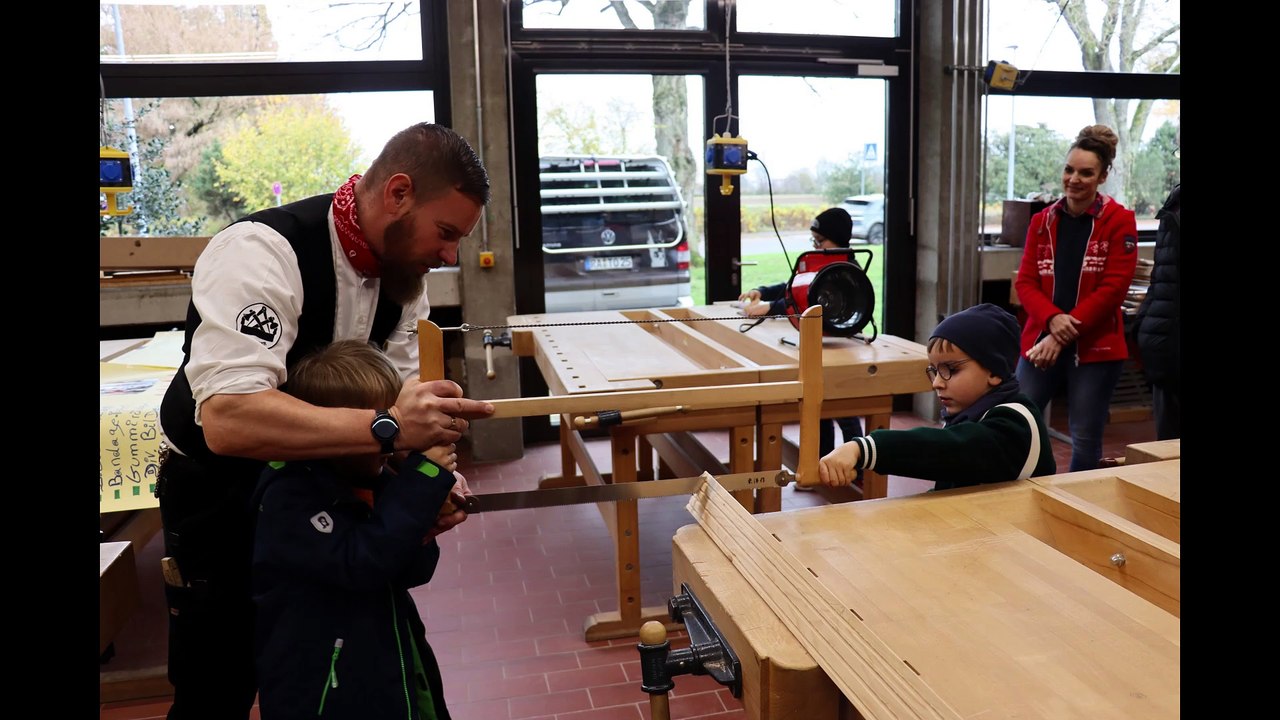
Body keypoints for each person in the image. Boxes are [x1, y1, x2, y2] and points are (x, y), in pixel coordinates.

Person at [155, 122, 496, 720]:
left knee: (329, 674)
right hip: (223, 499)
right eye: (445, 233)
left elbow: (402, 399)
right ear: (397, 193)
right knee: (218, 687)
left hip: (328, 496)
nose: (450, 256)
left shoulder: (402, 280)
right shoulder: (263, 251)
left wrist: (428, 478)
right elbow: (230, 420)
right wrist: (390, 432)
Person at [253, 339, 465, 719]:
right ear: (338, 428)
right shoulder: (288, 495)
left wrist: (425, 523)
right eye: (384, 432)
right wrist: (425, 477)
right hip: (325, 687)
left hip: (389, 661)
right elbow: (361, 564)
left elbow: (411, 570)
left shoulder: (371, 475)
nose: (391, 446)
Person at [817, 303, 1055, 491]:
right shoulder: (971, 414)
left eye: (951, 369)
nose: (937, 383)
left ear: (994, 370)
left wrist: (864, 448)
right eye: (934, 370)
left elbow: (949, 450)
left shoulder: (1015, 424)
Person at [1013, 124, 1138, 472]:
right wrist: (1052, 322)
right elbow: (1025, 283)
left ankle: (1078, 508)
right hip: (1040, 341)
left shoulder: (1119, 221)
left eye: (1086, 173)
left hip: (1096, 349)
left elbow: (1113, 290)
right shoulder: (1042, 221)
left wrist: (1060, 334)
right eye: (1070, 170)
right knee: (1016, 422)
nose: (1074, 179)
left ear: (1103, 176)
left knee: (1085, 436)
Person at [737, 207, 864, 458]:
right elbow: (794, 286)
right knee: (817, 405)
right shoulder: (821, 263)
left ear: (838, 241)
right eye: (813, 241)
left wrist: (770, 308)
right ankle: (821, 459)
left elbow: (809, 300)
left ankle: (858, 465)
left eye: (821, 241)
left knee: (841, 406)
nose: (816, 246)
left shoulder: (844, 270)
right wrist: (762, 291)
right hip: (820, 343)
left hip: (840, 347)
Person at [1133, 175, 1180, 440]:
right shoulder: (1175, 204)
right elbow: (1160, 278)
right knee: (1169, 460)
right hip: (1167, 354)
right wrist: (1145, 329)